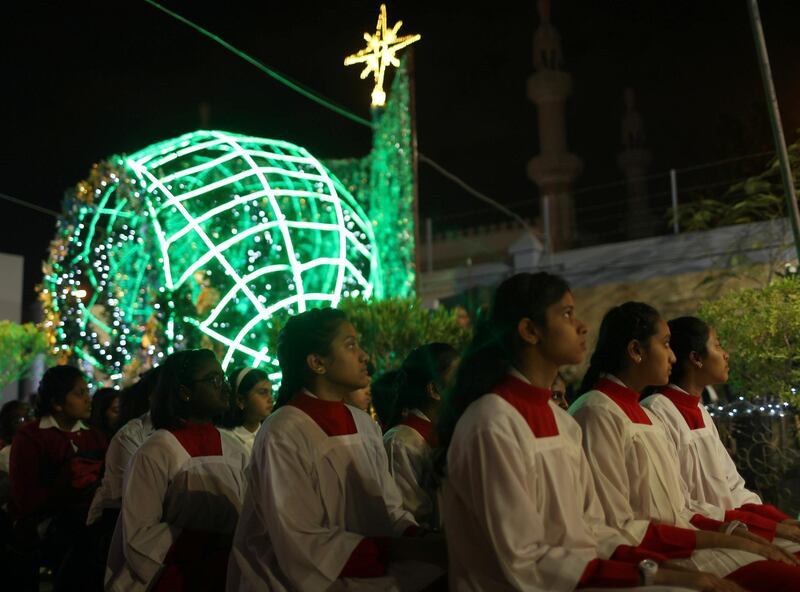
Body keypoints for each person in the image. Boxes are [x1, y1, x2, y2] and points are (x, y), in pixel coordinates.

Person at [437, 272, 732, 591]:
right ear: (530, 330)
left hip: (583, 576)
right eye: (566, 314)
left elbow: (593, 530)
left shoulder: (562, 422)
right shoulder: (491, 423)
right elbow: (524, 561)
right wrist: (648, 575)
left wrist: (655, 566)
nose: (582, 326)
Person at [570, 302, 800, 590]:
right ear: (636, 351)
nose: (672, 356)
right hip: (656, 555)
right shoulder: (598, 412)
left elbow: (687, 505)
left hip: (686, 541)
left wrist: (742, 531)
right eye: (665, 345)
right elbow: (616, 527)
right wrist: (726, 537)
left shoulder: (647, 415)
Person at [227, 307, 445, 592]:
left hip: (370, 567)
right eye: (351, 345)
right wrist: (401, 550)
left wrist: (419, 538)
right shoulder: (283, 432)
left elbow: (388, 508)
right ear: (317, 362)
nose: (364, 355)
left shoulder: (364, 424)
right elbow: (301, 542)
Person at [641, 317, 800, 547]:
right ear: (696, 358)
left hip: (737, 526)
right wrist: (771, 528)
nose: (725, 354)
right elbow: (683, 505)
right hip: (703, 536)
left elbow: (733, 488)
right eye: (717, 345)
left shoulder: (699, 410)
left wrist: (783, 522)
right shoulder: (657, 411)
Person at [105, 349, 248, 592]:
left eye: (223, 378)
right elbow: (139, 535)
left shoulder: (235, 447)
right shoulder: (156, 450)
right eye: (213, 380)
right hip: (177, 576)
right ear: (185, 392)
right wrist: (204, 538)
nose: (224, 386)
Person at [9, 365, 107, 591]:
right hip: (45, 533)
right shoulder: (31, 437)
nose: (88, 399)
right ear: (56, 402)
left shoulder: (95, 437)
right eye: (79, 393)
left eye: (87, 391)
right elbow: (25, 498)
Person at [383, 343, 458, 527]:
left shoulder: (450, 430)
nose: (466, 384)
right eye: (458, 377)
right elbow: (408, 516)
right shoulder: (402, 441)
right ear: (434, 390)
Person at [217, 367, 273, 458]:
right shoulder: (222, 439)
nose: (271, 399)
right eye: (263, 392)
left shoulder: (271, 436)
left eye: (271, 393)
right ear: (241, 400)